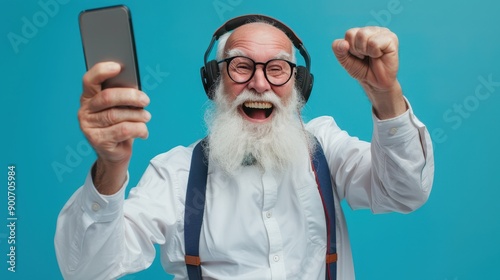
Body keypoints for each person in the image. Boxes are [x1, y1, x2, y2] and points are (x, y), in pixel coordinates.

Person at [55, 14, 434, 280]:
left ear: (298, 85)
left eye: (277, 68)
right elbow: (87, 270)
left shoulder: (325, 148)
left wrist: (385, 93)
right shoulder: (175, 174)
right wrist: (111, 166)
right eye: (241, 66)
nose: (259, 83)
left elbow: (405, 193)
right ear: (214, 81)